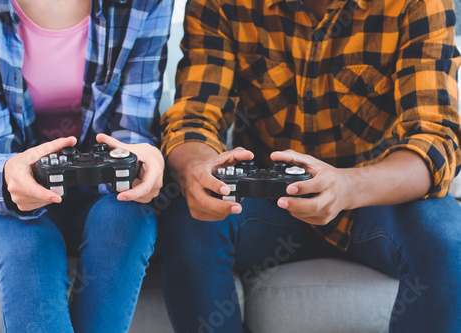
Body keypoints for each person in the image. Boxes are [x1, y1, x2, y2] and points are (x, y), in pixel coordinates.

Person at [160, 0, 461, 331]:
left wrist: (346, 187)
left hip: (373, 199)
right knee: (189, 213)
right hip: (269, 201)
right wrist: (197, 169)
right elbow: (195, 117)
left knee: (446, 231)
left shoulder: (417, 4)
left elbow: (435, 139)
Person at [0, 0, 173, 331]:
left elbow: (131, 132)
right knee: (30, 245)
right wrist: (9, 178)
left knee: (126, 220)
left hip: (98, 194)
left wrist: (141, 161)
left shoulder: (145, 4)